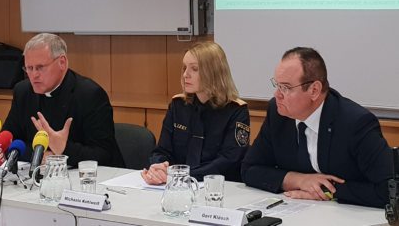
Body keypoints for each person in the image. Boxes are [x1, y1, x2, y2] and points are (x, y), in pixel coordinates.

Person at [241, 47, 392, 208]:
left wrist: (326, 191)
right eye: (277, 85)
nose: (277, 95)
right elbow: (249, 169)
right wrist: (298, 180)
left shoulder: (355, 123)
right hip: (298, 210)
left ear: (314, 90)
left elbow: (389, 189)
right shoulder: (278, 114)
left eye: (285, 88)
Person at [2, 33, 124, 168]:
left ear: (62, 62)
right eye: (29, 68)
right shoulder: (23, 91)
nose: (34, 75)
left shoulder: (90, 94)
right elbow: (9, 141)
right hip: (37, 174)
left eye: (40, 67)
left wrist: (63, 149)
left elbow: (104, 155)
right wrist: (38, 154)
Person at [142, 41, 250, 184]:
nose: (186, 74)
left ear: (213, 72)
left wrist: (183, 176)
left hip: (218, 187)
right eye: (184, 68)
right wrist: (160, 168)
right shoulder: (178, 105)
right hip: (177, 186)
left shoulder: (236, 110)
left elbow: (228, 161)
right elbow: (162, 150)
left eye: (194, 69)